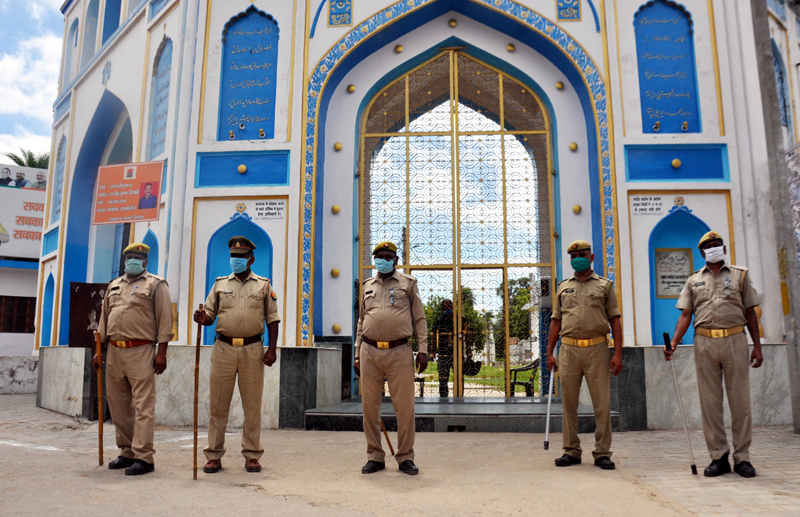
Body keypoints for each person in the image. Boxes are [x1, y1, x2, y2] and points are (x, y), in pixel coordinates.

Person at [666, 231, 762, 478]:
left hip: (735, 340)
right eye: (708, 246)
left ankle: (742, 458)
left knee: (740, 402)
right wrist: (674, 342)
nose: (713, 248)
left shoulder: (740, 275)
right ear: (702, 253)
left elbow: (750, 312)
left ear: (724, 248)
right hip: (704, 343)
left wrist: (757, 346)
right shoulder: (693, 280)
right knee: (710, 403)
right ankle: (718, 457)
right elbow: (685, 314)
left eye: (716, 244)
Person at [193, 236, 280, 474]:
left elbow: (272, 319)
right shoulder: (219, 284)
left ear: (251, 259)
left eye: (241, 256)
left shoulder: (263, 286)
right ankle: (213, 455)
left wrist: (271, 349)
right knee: (218, 405)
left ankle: (252, 455)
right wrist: (203, 318)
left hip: (253, 350)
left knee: (252, 406)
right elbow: (210, 315)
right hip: (224, 349)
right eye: (233, 256)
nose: (236, 260)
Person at [92, 242, 173, 476]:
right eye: (129, 258)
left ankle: (144, 457)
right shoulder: (114, 285)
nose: (132, 262)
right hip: (114, 351)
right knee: (118, 405)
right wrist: (99, 349)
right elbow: (104, 319)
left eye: (137, 258)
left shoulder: (156, 284)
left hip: (141, 350)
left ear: (145, 261)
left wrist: (162, 352)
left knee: (143, 405)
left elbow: (165, 319)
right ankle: (127, 452)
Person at [546, 239, 623, 470]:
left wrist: (618, 353)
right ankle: (571, 450)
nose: (578, 259)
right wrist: (549, 352)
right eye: (574, 256)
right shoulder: (563, 287)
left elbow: (615, 320)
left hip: (597, 349)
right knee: (569, 403)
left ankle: (602, 452)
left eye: (582, 255)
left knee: (602, 404)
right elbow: (556, 321)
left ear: (591, 257)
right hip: (568, 350)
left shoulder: (605, 286)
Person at [354, 241, 428, 475]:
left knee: (404, 408)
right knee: (369, 408)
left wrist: (423, 349)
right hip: (369, 351)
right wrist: (356, 353)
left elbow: (419, 318)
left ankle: (405, 456)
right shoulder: (367, 285)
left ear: (395, 260)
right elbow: (361, 321)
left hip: (399, 352)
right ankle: (375, 456)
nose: (384, 261)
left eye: (388, 257)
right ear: (374, 260)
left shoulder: (408, 283)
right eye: (380, 257)